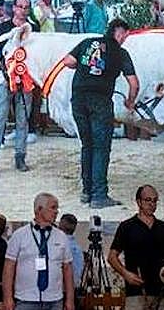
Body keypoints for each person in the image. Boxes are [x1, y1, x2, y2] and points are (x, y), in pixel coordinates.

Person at [59, 18, 139, 209]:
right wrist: (130, 101)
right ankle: (99, 195)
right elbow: (134, 83)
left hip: (78, 99)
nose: (125, 39)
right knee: (101, 148)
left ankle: (87, 191)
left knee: (87, 145)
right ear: (118, 32)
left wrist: (85, 67)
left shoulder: (87, 42)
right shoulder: (120, 53)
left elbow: (67, 61)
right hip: (100, 102)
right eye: (125, 35)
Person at [0, 2, 34, 174]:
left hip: (26, 80)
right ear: (14, 8)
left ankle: (20, 157)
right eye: (20, 6)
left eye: (26, 7)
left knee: (23, 120)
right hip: (5, 79)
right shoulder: (3, 27)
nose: (23, 10)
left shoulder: (33, 29)